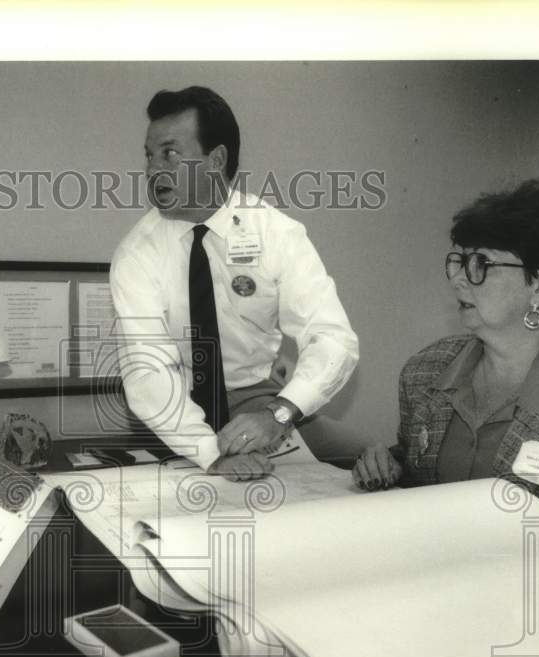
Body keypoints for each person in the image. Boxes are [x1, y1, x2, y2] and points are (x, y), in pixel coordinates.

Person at [110, 86, 359, 481]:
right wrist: (212, 456)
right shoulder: (136, 254)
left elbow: (332, 337)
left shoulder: (277, 233)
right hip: (172, 407)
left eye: (170, 153)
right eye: (150, 155)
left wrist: (280, 412)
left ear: (217, 159)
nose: (153, 169)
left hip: (257, 400)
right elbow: (148, 373)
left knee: (369, 465)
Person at [353, 179, 539, 520]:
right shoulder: (425, 370)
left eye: (481, 264)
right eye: (459, 261)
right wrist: (390, 463)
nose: (457, 278)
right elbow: (424, 470)